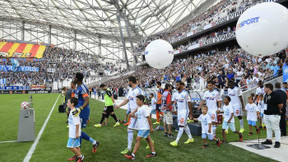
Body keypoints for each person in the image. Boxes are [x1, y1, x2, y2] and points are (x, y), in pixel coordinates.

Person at [71, 73, 99, 158]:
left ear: (77, 79)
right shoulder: (77, 88)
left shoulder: (82, 87)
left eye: (75, 77)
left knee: (78, 132)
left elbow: (87, 100)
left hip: (83, 111)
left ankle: (78, 154)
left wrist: (80, 109)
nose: (73, 78)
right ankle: (94, 142)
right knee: (78, 131)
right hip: (77, 111)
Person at [115, 76, 143, 154]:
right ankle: (129, 148)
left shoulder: (138, 91)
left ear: (131, 81)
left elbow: (141, 103)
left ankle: (129, 148)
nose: (127, 83)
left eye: (128, 82)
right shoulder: (130, 90)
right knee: (137, 130)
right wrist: (119, 105)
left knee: (134, 130)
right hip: (133, 114)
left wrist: (134, 112)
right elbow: (127, 100)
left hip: (137, 114)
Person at [124, 95, 156, 160]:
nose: (136, 101)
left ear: (141, 101)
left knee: (137, 139)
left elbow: (148, 118)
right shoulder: (139, 108)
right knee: (148, 140)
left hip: (144, 128)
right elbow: (140, 116)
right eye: (136, 100)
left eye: (137, 100)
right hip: (142, 127)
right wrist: (133, 116)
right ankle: (153, 153)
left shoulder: (144, 108)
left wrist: (151, 128)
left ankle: (133, 155)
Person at [165, 81, 194, 147]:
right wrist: (165, 106)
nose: (176, 86)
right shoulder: (175, 94)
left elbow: (189, 103)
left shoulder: (185, 93)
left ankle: (176, 141)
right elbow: (172, 102)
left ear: (181, 85)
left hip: (185, 111)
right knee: (185, 125)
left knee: (181, 126)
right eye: (176, 85)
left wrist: (191, 114)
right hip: (179, 111)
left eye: (178, 85)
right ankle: (191, 138)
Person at [261, 83, 282, 148]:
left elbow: (280, 105)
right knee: (268, 128)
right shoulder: (265, 95)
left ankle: (277, 141)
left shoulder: (275, 95)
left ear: (268, 88)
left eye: (265, 88)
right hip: (266, 114)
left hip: (274, 114)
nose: (264, 89)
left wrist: (277, 109)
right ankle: (269, 139)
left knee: (276, 128)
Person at [67, 98, 84, 162]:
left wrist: (76, 133)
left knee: (69, 146)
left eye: (68, 102)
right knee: (77, 146)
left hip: (74, 133)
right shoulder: (73, 111)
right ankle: (79, 158)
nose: (67, 103)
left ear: (72, 104)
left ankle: (80, 156)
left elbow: (77, 124)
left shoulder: (74, 112)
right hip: (73, 132)